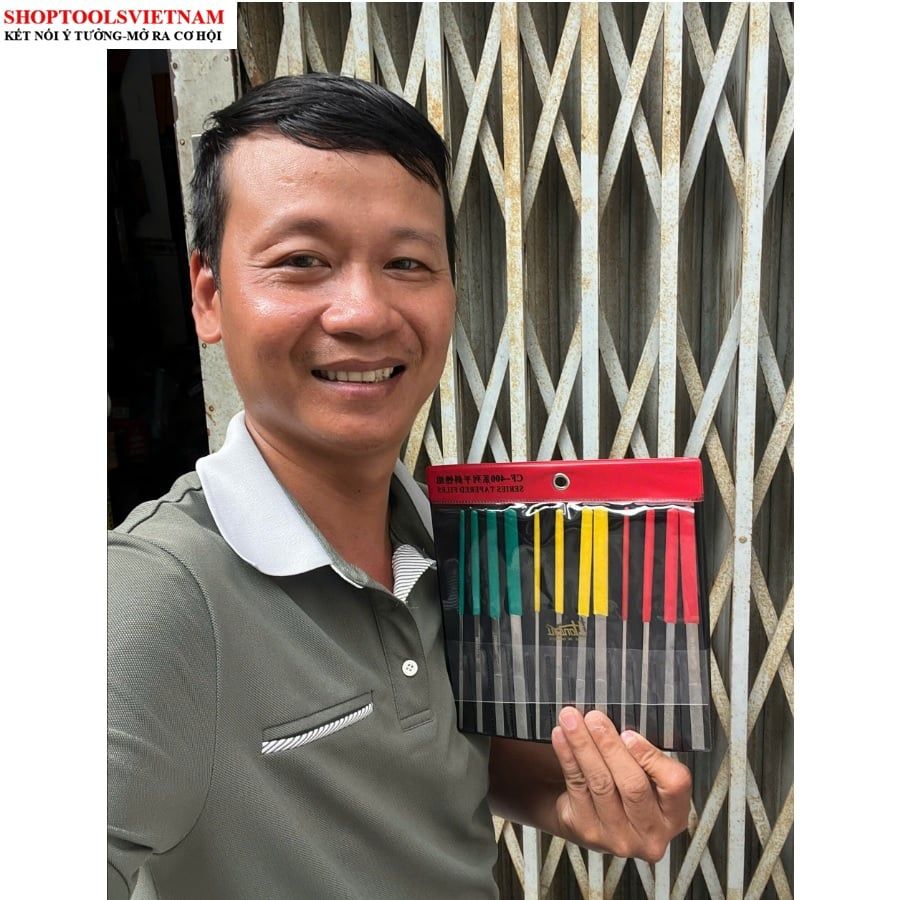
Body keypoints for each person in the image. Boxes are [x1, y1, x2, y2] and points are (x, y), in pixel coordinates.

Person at [108, 73, 692, 900]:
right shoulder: (155, 596)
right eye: (302, 261)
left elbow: (438, 760)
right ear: (209, 295)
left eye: (407, 262)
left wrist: (568, 796)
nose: (363, 311)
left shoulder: (434, 529)